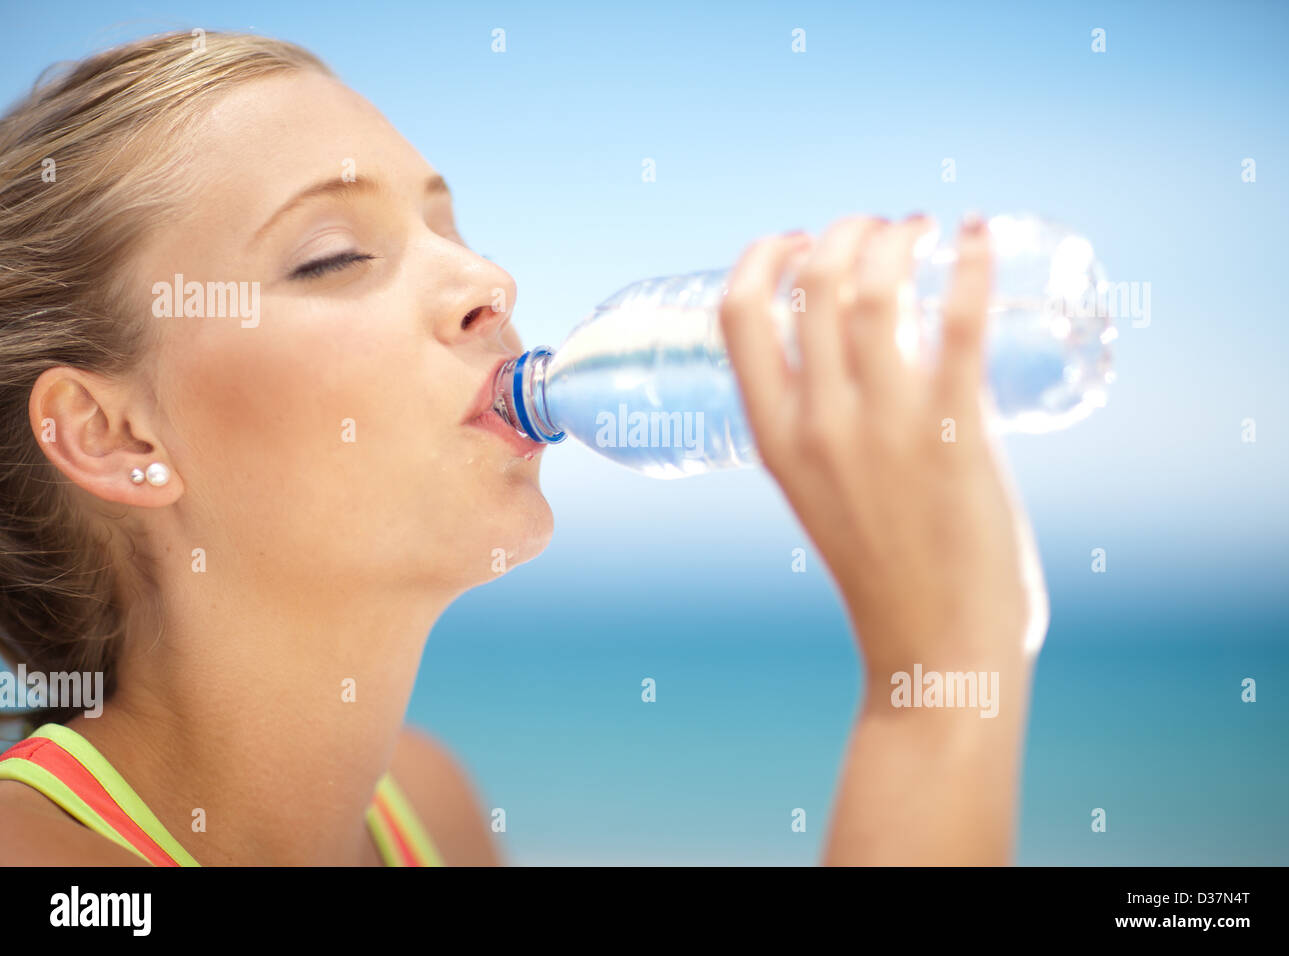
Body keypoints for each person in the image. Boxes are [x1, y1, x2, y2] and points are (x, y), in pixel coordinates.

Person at [0, 30, 1047, 866]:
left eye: (450, 229)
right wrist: (940, 673)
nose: (488, 282)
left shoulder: (428, 812)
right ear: (115, 434)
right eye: (334, 255)